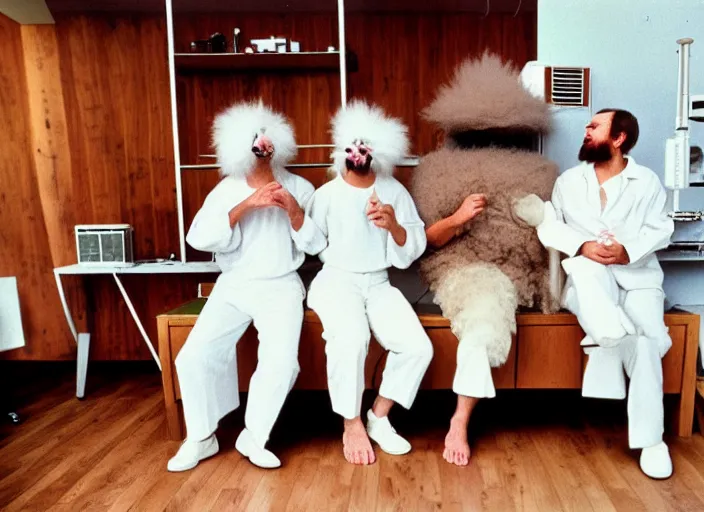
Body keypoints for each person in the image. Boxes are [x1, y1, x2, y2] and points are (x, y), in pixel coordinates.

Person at [167, 101, 325, 472]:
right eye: (253, 141)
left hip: (282, 285)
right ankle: (201, 438)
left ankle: (253, 437)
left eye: (266, 141)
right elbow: (199, 236)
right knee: (193, 356)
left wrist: (293, 211)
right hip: (234, 285)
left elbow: (317, 246)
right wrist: (245, 205)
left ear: (277, 144)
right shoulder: (226, 189)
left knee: (283, 364)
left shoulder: (300, 187)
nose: (261, 147)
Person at [536, 108, 675, 479]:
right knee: (588, 271)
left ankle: (651, 441)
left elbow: (662, 228)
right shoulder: (568, 182)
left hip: (638, 277)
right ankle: (609, 334)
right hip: (588, 282)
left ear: (619, 138)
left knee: (646, 342)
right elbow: (550, 228)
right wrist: (582, 245)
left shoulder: (645, 182)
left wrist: (626, 250)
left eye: (595, 126)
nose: (586, 130)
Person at [305, 100, 434, 465]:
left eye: (365, 147)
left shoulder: (394, 191)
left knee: (417, 347)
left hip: (379, 283)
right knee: (351, 340)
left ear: (377, 151)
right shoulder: (326, 195)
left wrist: (392, 226)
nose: (358, 153)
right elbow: (312, 245)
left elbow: (411, 250)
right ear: (341, 150)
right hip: (336, 281)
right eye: (351, 147)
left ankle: (378, 416)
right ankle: (351, 423)